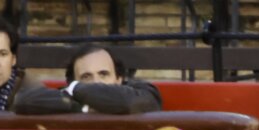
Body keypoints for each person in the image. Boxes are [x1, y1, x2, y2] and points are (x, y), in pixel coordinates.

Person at [13, 44, 162, 115]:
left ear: (119, 79)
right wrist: (81, 106)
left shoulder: (141, 93)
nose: (96, 82)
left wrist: (82, 93)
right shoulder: (71, 96)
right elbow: (23, 101)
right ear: (73, 83)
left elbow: (135, 103)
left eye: (103, 74)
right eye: (86, 77)